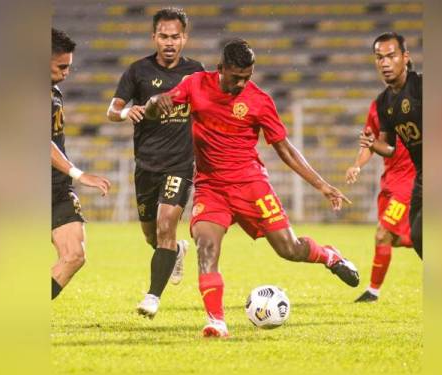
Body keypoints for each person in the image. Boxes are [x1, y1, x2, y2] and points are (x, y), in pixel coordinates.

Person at [145, 39, 360, 338]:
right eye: (236, 78)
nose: (242, 83)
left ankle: (329, 256)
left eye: (248, 77)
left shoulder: (259, 100)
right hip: (211, 187)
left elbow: (284, 148)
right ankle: (216, 321)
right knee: (206, 246)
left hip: (251, 185)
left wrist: (322, 185)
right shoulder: (195, 84)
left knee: (290, 249)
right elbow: (154, 109)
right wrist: (156, 102)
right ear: (220, 69)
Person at [106, 8, 204, 318]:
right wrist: (126, 113)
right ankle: (176, 251)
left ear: (184, 38)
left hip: (180, 164)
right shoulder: (138, 71)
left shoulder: (197, 73)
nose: (170, 42)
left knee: (165, 226)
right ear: (154, 37)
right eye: (163, 36)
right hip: (146, 166)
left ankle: (152, 297)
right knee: (152, 236)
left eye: (175, 36)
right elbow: (112, 109)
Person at [51, 28, 111, 300]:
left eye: (69, 67)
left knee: (74, 255)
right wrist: (78, 173)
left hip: (55, 186)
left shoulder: (53, 91)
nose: (66, 73)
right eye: (61, 66)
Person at [360, 32, 422, 259]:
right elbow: (389, 147)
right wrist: (370, 147)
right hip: (411, 178)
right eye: (379, 57)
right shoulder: (383, 103)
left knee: (387, 234)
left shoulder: (421, 88)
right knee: (417, 237)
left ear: (405, 57)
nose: (384, 63)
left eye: (391, 56)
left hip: (428, 176)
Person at [345, 100, 415, 302]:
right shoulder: (378, 106)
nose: (385, 66)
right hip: (389, 182)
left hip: (409, 183)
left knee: (382, 233)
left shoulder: (419, 101)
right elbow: (370, 143)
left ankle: (373, 292)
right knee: (392, 238)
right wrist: (357, 165)